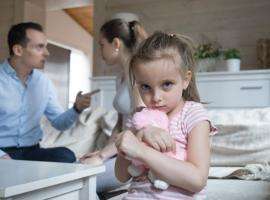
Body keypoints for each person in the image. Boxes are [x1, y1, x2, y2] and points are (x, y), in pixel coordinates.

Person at [115, 32, 217, 199]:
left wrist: (141, 151)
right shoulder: (141, 118)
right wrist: (133, 139)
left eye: (167, 84)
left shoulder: (193, 115)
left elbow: (197, 180)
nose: (156, 97)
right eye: (145, 87)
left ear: (186, 80)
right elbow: (121, 176)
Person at [0, 22, 95, 163]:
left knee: (65, 155)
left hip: (32, 152)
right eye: (40, 47)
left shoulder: (43, 82)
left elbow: (59, 123)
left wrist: (76, 108)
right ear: (18, 50)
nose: (47, 53)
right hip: (3, 151)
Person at [79, 18, 149, 193]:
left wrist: (103, 156)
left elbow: (139, 127)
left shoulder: (139, 76)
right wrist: (100, 153)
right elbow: (119, 126)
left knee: (79, 181)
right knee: (75, 168)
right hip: (120, 151)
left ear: (116, 43)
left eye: (102, 44)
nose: (100, 51)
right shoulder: (120, 78)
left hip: (136, 155)